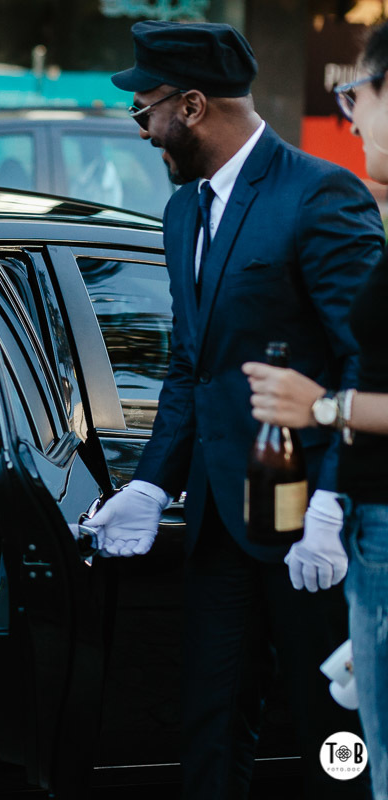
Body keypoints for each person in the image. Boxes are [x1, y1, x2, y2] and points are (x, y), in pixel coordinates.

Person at [83, 21, 383, 798]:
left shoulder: (319, 194)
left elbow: (365, 359)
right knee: (209, 722)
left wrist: (333, 502)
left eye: (143, 110)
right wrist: (152, 484)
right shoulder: (184, 210)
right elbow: (192, 364)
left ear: (190, 106)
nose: (141, 129)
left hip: (314, 528)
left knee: (334, 734)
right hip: (220, 517)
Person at [244, 21, 388, 798]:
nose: (350, 117)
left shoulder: (335, 203)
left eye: (354, 94)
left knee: (373, 762)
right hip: (369, 529)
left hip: (378, 527)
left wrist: (324, 409)